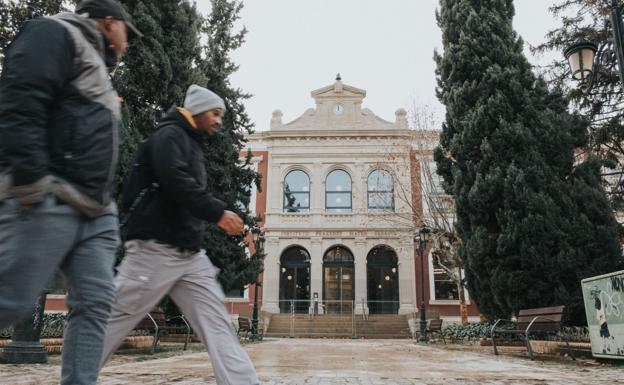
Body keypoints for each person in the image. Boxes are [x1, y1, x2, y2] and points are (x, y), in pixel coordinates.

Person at [0, 0, 141, 383]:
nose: (128, 42)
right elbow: (21, 99)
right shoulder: (54, 33)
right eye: (128, 32)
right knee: (9, 300)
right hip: (52, 196)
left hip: (94, 211)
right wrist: (31, 180)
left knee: (96, 305)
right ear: (111, 23)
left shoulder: (96, 67)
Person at [99, 84, 259, 385]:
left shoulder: (191, 143)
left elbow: (190, 190)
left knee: (217, 326)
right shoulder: (169, 135)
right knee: (114, 320)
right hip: (154, 248)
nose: (219, 120)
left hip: (189, 255)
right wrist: (218, 213)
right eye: (215, 113)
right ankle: (77, 376)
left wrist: (217, 211)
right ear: (197, 110)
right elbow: (177, 182)